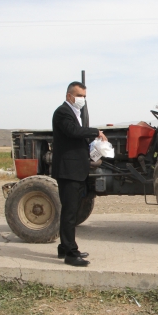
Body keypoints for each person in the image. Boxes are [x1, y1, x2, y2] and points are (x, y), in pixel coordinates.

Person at [52, 81, 107, 267]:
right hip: (68, 171)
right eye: (79, 96)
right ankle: (70, 254)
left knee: (71, 211)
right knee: (69, 212)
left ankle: (65, 247)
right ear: (69, 96)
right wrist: (95, 132)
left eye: (84, 96)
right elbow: (73, 131)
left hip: (75, 170)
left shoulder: (73, 113)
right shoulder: (62, 112)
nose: (82, 99)